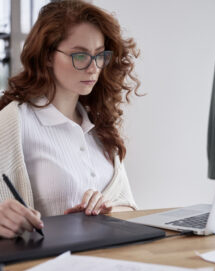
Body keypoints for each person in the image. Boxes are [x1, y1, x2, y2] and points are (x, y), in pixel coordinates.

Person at [0, 0, 141, 238]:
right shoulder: (13, 122)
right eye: (80, 55)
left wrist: (108, 210)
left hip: (109, 263)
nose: (93, 68)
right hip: (46, 268)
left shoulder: (99, 125)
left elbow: (129, 207)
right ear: (46, 56)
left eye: (99, 55)